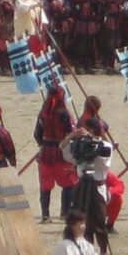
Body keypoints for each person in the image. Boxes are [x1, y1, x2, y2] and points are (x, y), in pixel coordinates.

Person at [60, 118, 113, 255]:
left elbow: (103, 162)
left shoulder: (105, 145)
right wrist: (72, 136)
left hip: (97, 185)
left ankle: (103, 251)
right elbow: (65, 151)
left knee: (99, 221)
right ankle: (84, 249)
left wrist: (93, 145)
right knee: (82, 219)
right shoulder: (80, 144)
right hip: (82, 184)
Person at [34, 87, 77, 223]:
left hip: (46, 151)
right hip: (61, 152)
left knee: (45, 185)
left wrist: (43, 144)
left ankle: (45, 215)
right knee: (68, 183)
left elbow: (37, 134)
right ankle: (64, 212)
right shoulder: (64, 114)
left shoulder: (43, 113)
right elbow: (71, 132)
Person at [105, 171, 125, 235]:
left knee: (118, 199)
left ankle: (110, 225)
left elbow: (119, 185)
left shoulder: (106, 174)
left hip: (103, 200)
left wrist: (108, 193)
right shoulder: (78, 172)